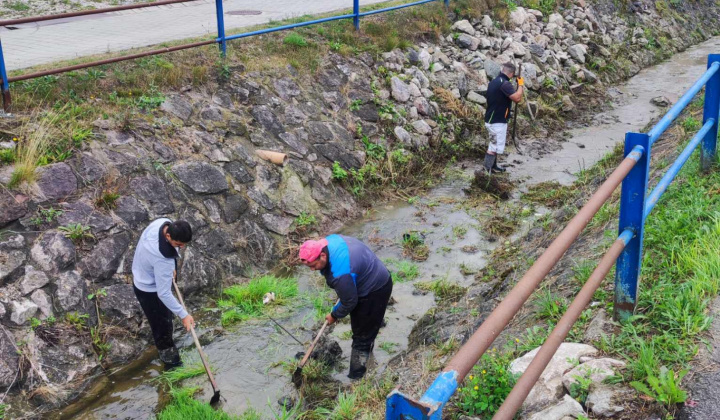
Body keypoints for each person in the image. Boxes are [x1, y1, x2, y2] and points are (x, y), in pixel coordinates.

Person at [299, 234, 393, 379]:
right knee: (366, 328)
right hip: (369, 273)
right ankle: (369, 350)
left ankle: (356, 380)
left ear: (322, 255)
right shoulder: (329, 241)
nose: (312, 270)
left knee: (361, 338)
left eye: (313, 265)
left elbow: (349, 301)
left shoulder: (341, 273)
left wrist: (334, 315)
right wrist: (347, 288)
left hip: (375, 289)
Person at [132, 218, 194, 369]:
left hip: (143, 270)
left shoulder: (162, 223)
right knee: (161, 327)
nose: (182, 247)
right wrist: (184, 315)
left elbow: (168, 254)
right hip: (148, 289)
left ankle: (169, 336)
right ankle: (172, 366)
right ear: (168, 237)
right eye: (179, 245)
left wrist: (169, 267)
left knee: (167, 317)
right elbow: (164, 293)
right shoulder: (162, 259)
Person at [483, 62, 524, 173]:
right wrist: (520, 85)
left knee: (494, 144)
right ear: (512, 73)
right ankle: (487, 171)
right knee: (494, 146)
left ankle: (493, 166)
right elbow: (517, 98)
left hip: (492, 118)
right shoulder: (505, 84)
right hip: (497, 121)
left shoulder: (494, 82)